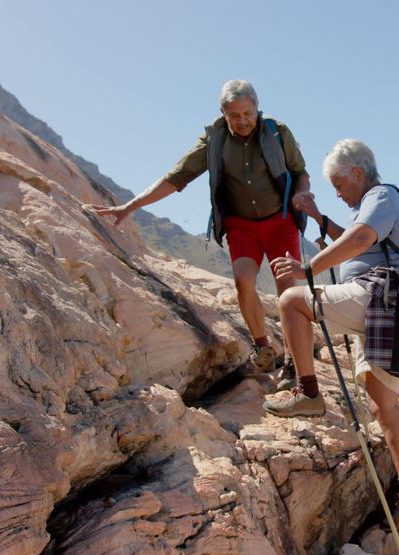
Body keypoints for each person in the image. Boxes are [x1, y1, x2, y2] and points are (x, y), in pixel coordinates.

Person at [265, 138, 399, 529]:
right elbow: (357, 240)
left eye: (339, 185)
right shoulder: (374, 206)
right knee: (382, 403)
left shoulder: (381, 195)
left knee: (292, 300)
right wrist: (319, 216)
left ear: (357, 173)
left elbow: (359, 241)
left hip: (381, 298)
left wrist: (306, 272)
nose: (339, 193)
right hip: (396, 307)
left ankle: (308, 393)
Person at [89, 80, 308, 381]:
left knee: (289, 291)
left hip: (281, 221)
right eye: (234, 116)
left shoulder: (277, 132)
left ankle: (296, 363)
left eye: (248, 113)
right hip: (241, 225)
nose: (242, 121)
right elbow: (176, 177)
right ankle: (263, 349)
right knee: (244, 281)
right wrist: (131, 206)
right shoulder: (214, 140)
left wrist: (302, 195)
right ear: (223, 113)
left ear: (257, 107)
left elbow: (300, 173)